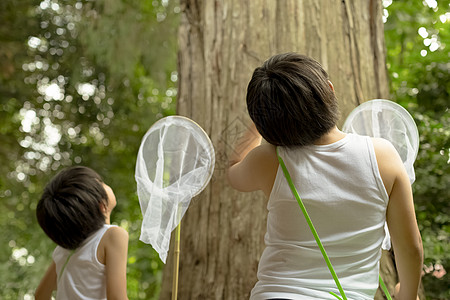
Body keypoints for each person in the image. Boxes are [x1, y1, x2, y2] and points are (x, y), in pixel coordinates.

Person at [227, 53, 423, 299]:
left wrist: (257, 122)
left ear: (267, 121)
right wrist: (407, 294)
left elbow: (233, 169)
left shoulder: (268, 159)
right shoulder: (383, 155)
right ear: (329, 90)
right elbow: (411, 246)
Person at [35, 166, 129, 300]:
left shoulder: (63, 249)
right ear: (102, 205)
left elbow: (40, 295)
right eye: (100, 183)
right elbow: (117, 298)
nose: (104, 184)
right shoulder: (114, 235)